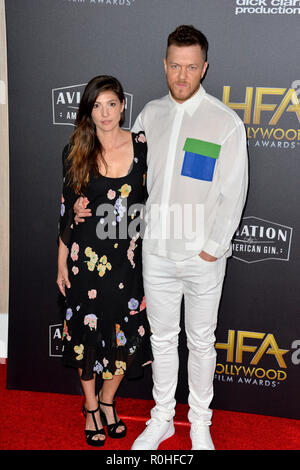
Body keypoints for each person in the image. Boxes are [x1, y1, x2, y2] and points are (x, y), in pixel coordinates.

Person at [75, 25, 248, 451]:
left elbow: (233, 190)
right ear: (165, 65)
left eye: (191, 67)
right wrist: (84, 203)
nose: (182, 76)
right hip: (155, 252)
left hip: (202, 255)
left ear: (204, 68)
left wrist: (213, 247)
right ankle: (164, 418)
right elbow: (125, 174)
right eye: (175, 66)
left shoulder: (224, 121)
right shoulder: (149, 115)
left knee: (202, 342)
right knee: (162, 340)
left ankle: (201, 423)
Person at [56, 75, 153, 447]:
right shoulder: (75, 149)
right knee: (88, 337)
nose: (105, 113)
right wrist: (61, 262)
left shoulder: (143, 145)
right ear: (88, 110)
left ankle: (110, 400)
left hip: (128, 260)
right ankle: (92, 407)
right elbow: (67, 212)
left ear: (123, 106)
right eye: (96, 106)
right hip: (85, 262)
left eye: (111, 104)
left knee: (127, 336)